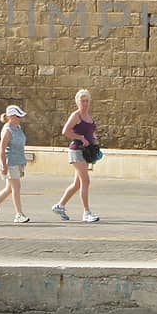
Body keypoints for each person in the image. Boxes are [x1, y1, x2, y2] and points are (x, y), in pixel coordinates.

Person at [52, 88, 101, 223]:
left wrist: (95, 143)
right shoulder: (76, 116)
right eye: (82, 101)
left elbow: (92, 133)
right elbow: (65, 131)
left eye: (87, 101)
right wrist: (80, 137)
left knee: (77, 183)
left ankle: (60, 206)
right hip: (76, 151)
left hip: (86, 152)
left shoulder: (89, 117)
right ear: (77, 102)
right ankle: (86, 212)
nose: (85, 103)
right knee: (86, 181)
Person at [0, 105, 31, 223]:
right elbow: (2, 149)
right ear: (10, 117)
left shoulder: (18, 127)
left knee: (9, 188)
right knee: (16, 187)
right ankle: (19, 214)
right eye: (17, 116)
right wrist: (4, 165)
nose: (20, 118)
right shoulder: (7, 130)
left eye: (20, 116)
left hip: (18, 161)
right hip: (10, 162)